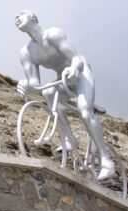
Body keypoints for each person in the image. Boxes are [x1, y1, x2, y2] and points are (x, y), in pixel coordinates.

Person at [15, 10, 115, 180]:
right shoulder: (26, 52)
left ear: (33, 18)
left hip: (80, 72)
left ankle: (106, 161)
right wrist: (26, 86)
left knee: (85, 113)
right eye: (15, 18)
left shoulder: (53, 34)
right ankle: (69, 140)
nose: (17, 18)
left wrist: (74, 69)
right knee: (48, 92)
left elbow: (75, 58)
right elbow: (35, 85)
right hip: (63, 79)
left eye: (21, 14)